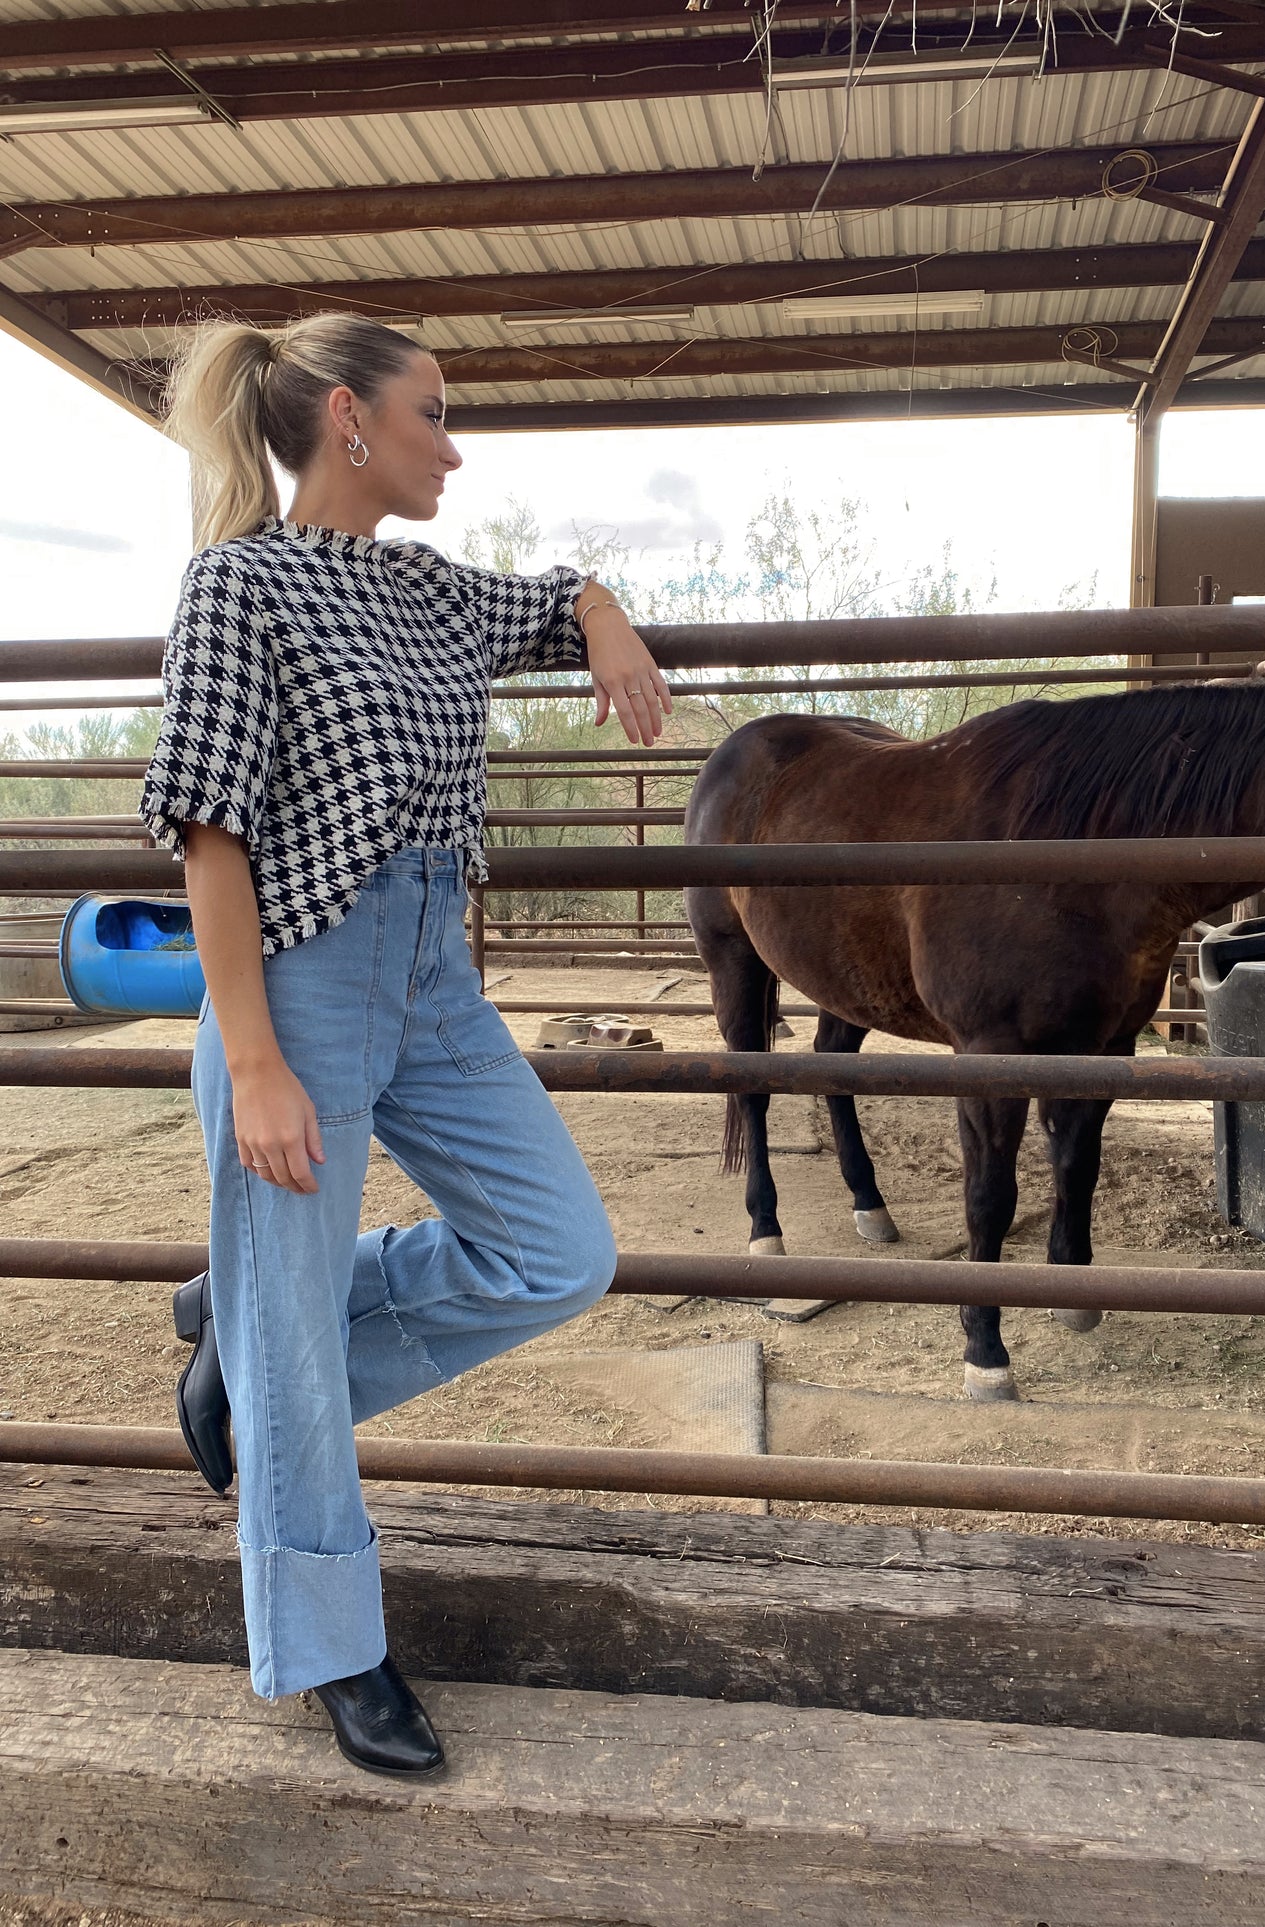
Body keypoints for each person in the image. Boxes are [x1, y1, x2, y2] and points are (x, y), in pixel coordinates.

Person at [138, 314, 672, 1777]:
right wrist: (251, 1061)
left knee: (557, 1249)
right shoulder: (238, 590)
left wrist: (604, 609)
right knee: (296, 1349)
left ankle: (245, 1336)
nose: (454, 440)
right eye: (433, 412)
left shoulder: (431, 592)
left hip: (436, 973)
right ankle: (332, 1644)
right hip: (301, 985)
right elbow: (208, 833)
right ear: (347, 422)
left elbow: (550, 601)